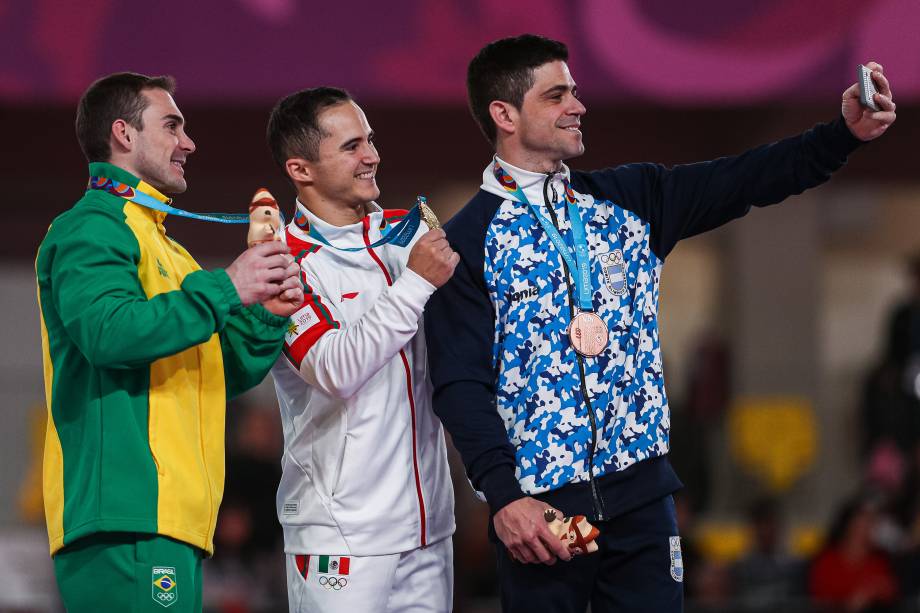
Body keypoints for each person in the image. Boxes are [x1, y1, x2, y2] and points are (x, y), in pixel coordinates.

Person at [424, 34, 896, 613]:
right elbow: (458, 386)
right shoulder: (464, 243)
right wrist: (504, 498)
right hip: (542, 516)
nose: (579, 105)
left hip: (644, 501)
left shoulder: (632, 200)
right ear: (505, 115)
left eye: (574, 91)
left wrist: (840, 136)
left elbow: (746, 178)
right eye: (556, 95)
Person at [36, 72, 304, 613]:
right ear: (124, 134)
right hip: (126, 511)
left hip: (171, 516)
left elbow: (217, 372)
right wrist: (228, 286)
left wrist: (267, 318)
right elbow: (109, 333)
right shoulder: (93, 227)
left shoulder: (169, 250)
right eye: (172, 125)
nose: (189, 142)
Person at [264, 87, 458, 612]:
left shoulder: (410, 232)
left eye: (370, 139)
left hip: (430, 529)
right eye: (352, 146)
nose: (372, 155)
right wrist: (416, 284)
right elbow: (333, 368)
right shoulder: (282, 261)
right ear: (301, 169)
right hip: (340, 535)